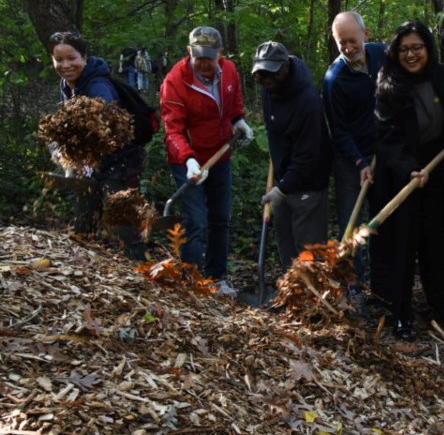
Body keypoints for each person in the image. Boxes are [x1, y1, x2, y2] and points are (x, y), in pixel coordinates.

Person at [370, 20, 444, 340]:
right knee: (403, 243)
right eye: (404, 49)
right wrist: (408, 168)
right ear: (395, 53)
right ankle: (401, 313)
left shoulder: (441, 74)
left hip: (437, 168)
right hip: (401, 173)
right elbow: (385, 136)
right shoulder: (388, 82)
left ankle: (439, 301)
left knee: (439, 239)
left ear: (427, 49)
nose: (411, 55)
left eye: (417, 48)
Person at [159, 25, 254, 295]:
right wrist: (188, 161)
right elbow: (173, 130)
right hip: (187, 161)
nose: (203, 63)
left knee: (220, 218)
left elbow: (234, 106)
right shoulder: (175, 82)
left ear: (220, 54)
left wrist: (239, 122)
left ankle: (216, 278)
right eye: (197, 56)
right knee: (196, 220)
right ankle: (192, 283)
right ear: (189, 51)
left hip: (220, 155)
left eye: (208, 57)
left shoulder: (230, 71)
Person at [48, 31, 145, 256]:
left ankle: (140, 273)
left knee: (125, 225)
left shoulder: (97, 85)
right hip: (90, 167)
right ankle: (85, 274)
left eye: (72, 58)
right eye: (58, 59)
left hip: (119, 164)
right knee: (84, 224)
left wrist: (75, 148)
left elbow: (109, 126)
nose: (66, 65)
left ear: (84, 56)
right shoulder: (68, 84)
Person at [252, 41, 332, 272]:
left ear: (285, 67)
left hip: (308, 182)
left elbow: (308, 155)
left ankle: (314, 299)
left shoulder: (307, 101)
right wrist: (280, 180)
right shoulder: (268, 88)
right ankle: (292, 295)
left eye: (271, 72)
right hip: (284, 178)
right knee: (286, 245)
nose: (266, 78)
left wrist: (283, 187)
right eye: (261, 73)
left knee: (308, 249)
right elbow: (275, 133)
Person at [322, 11, 387, 291]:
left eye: (353, 40)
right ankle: (354, 290)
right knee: (353, 228)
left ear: (366, 34)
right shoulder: (334, 79)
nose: (348, 48)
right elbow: (339, 130)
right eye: (341, 43)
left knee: (383, 221)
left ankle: (384, 287)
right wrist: (360, 162)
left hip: (384, 154)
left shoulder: (384, 56)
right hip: (351, 160)